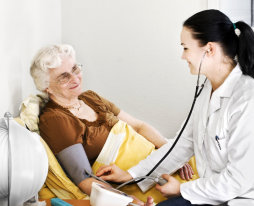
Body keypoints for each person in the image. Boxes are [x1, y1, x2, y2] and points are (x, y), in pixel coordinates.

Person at [96, 9, 254, 206]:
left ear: (209, 49)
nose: (183, 56)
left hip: (249, 200)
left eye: (185, 48)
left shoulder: (248, 101)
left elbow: (237, 181)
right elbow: (182, 143)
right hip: (217, 195)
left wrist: (182, 189)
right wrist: (131, 175)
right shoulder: (208, 89)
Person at [29, 44, 194, 202]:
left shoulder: (91, 97)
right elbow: (85, 179)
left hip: (159, 162)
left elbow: (138, 126)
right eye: (64, 77)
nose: (75, 78)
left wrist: (172, 154)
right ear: (47, 87)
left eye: (75, 69)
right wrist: (128, 201)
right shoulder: (56, 119)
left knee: (203, 166)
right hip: (143, 184)